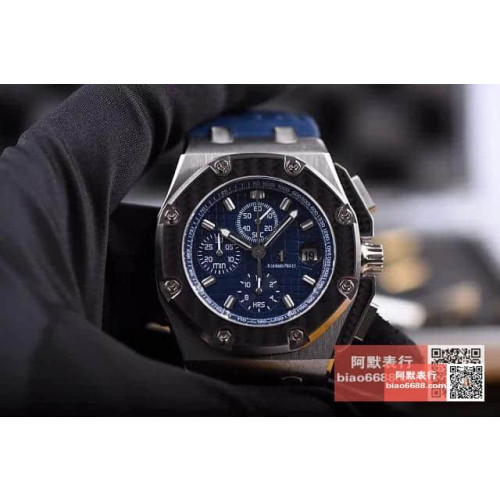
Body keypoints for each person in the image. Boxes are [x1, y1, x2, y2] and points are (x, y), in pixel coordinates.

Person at [0, 85, 411, 415]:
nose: (258, 250)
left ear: (363, 258)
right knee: (420, 380)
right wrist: (433, 392)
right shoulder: (413, 373)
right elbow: (424, 377)